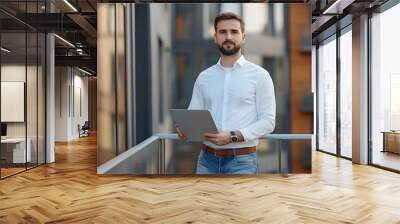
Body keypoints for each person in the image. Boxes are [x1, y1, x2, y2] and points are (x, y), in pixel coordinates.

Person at [176, 12, 276, 174]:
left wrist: (232, 137)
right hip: (206, 161)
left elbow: (268, 122)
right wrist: (185, 128)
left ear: (243, 37)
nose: (228, 36)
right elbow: (193, 114)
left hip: (242, 162)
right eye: (222, 32)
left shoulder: (260, 76)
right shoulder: (204, 77)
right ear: (215, 37)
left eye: (234, 32)